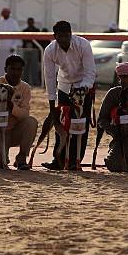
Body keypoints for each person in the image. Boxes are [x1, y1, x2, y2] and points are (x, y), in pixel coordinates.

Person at [42, 20, 96, 170]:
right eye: (60, 36)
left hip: (82, 88)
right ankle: (58, 159)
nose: (64, 40)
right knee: (62, 124)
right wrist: (52, 105)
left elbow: (90, 71)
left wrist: (83, 90)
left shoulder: (83, 45)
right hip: (64, 87)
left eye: (66, 36)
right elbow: (50, 78)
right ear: (55, 36)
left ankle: (75, 160)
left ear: (71, 34)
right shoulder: (50, 50)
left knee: (81, 125)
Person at [0, 8, 20, 77]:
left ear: (9, 13)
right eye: (4, 12)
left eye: (6, 12)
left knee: (12, 64)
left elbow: (17, 35)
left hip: (10, 48)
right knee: (0, 64)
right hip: (1, 48)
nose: (5, 14)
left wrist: (13, 46)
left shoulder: (14, 23)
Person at [21, 17, 41, 86]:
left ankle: (35, 81)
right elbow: (22, 40)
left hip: (34, 50)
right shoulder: (24, 30)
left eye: (31, 22)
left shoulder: (37, 30)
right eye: (29, 22)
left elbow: (39, 40)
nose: (30, 23)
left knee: (34, 67)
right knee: (25, 67)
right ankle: (25, 81)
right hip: (26, 50)